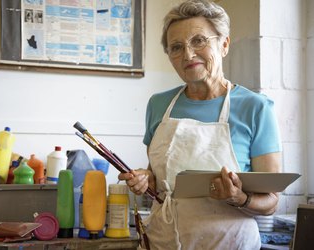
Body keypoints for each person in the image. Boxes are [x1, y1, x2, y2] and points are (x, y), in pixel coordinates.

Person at [118, 0, 282, 249]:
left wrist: (239, 197)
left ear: (224, 44)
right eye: (176, 47)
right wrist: (145, 179)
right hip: (162, 242)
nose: (188, 54)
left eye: (199, 41)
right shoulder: (159, 105)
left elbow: (271, 202)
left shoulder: (255, 108)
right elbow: (157, 177)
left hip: (230, 243)